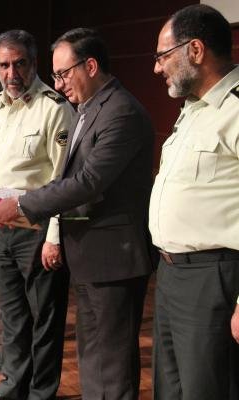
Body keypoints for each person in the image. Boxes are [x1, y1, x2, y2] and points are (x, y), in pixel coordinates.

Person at [0, 28, 156, 400]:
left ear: (90, 66)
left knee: (111, 364)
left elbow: (88, 181)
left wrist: (22, 204)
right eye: (56, 76)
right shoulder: (90, 107)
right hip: (91, 256)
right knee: (92, 358)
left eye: (63, 74)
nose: (59, 84)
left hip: (114, 259)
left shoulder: (121, 111)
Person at [0, 30, 74, 400]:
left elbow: (63, 180)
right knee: (11, 315)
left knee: (44, 317)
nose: (11, 73)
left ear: (34, 63)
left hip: (37, 230)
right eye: (3, 65)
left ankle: (41, 393)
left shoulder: (55, 108)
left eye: (19, 64)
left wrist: (54, 238)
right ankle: (12, 388)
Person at [150, 5, 239, 399]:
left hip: (213, 278)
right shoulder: (192, 110)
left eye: (163, 55)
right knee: (169, 389)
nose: (157, 67)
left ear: (196, 50)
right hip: (171, 274)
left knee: (207, 389)